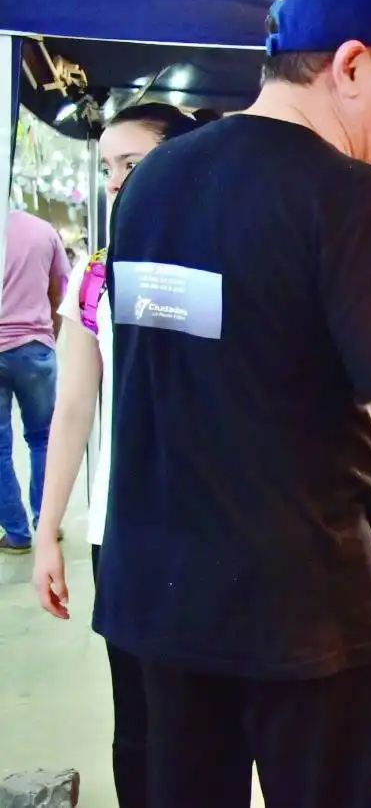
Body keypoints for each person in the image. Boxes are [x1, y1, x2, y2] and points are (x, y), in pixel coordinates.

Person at [93, 0, 371, 808]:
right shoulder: (353, 201)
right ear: (350, 65)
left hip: (153, 605)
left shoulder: (149, 184)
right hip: (304, 619)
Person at [31, 102, 215, 808]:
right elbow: (73, 406)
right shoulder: (96, 274)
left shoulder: (221, 255)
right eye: (108, 166)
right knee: (137, 721)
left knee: (208, 723)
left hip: (214, 528)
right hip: (124, 531)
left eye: (131, 164)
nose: (116, 181)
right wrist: (49, 528)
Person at [0, 207, 71, 552]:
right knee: (43, 437)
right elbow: (61, 290)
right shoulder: (42, 231)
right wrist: (50, 335)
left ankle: (16, 533)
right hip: (34, 346)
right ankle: (47, 523)